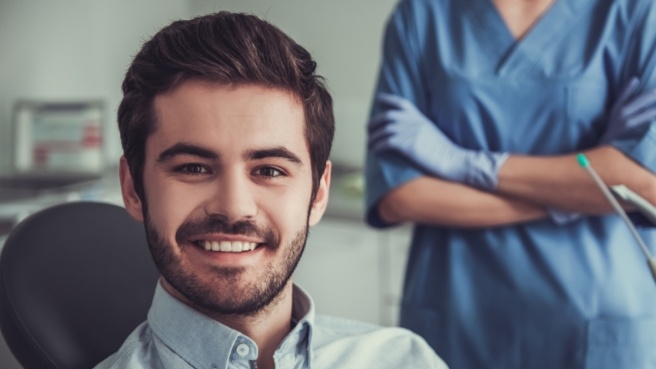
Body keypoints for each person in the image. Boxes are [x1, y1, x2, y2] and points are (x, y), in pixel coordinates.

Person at [93, 11, 447, 369]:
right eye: (193, 168)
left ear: (318, 194)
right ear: (133, 188)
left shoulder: (405, 358)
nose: (233, 208)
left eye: (269, 170)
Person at [365, 0, 656, 368]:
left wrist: (462, 163)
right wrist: (580, 192)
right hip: (458, 316)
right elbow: (400, 195)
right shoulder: (423, 15)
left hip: (596, 325)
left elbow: (643, 181)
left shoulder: (635, 13)